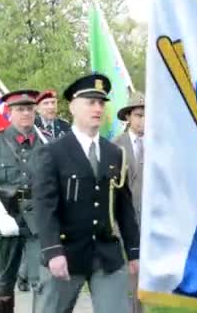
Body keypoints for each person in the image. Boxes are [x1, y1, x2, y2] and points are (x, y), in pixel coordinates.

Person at [33, 74, 140, 313]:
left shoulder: (114, 152)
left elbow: (123, 207)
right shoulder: (53, 153)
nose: (97, 108)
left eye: (101, 103)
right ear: (72, 107)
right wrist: (52, 252)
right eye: (90, 102)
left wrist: (134, 251)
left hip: (106, 254)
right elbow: (44, 207)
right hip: (66, 252)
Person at [0, 89, 46, 313]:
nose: (25, 113)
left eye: (29, 108)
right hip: (7, 217)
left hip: (39, 220)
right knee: (4, 282)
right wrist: (0, 216)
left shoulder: (47, 142)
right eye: (20, 109)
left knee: (43, 281)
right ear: (10, 113)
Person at [114, 91, 145, 313]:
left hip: (153, 222)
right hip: (127, 223)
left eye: (147, 115)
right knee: (131, 277)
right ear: (128, 117)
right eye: (138, 115)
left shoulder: (161, 144)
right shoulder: (116, 147)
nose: (143, 120)